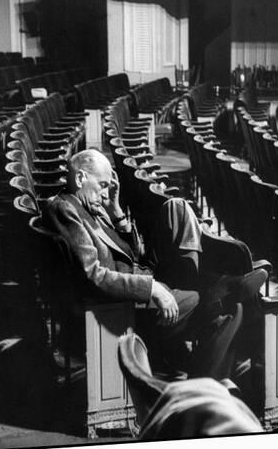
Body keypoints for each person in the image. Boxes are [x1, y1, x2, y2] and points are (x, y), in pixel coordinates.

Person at [43, 149, 265, 379]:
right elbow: (94, 275)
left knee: (176, 207)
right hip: (124, 305)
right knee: (220, 306)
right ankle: (217, 291)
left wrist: (116, 212)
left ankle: (209, 285)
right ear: (80, 178)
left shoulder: (88, 205)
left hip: (139, 275)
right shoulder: (65, 209)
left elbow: (130, 253)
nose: (105, 191)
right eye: (102, 184)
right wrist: (152, 288)